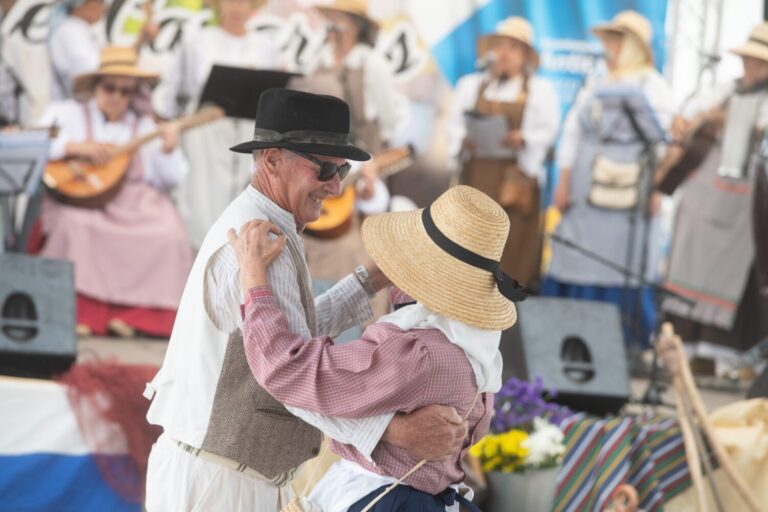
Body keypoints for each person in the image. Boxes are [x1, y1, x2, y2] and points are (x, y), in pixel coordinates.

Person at [144, 88, 469, 511]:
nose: (335, 187)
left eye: (343, 169)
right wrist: (392, 431)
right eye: (325, 169)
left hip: (225, 474)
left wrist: (372, 277)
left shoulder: (267, 224)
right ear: (273, 160)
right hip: (219, 483)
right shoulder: (263, 237)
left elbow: (291, 338)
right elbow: (293, 377)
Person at [229, 185, 524, 511]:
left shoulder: (416, 353)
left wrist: (254, 280)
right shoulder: (475, 347)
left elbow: (288, 370)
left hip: (382, 498)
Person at [35, 46, 192, 338]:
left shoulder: (145, 126)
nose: (118, 97)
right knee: (73, 226)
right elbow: (35, 140)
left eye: (126, 91)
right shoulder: (66, 113)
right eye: (110, 88)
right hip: (79, 200)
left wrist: (169, 149)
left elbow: (173, 178)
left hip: (134, 201)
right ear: (96, 87)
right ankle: (79, 314)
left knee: (168, 232)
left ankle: (135, 317)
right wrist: (74, 147)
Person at [544, 11, 675, 346]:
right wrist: (564, 180)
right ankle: (571, 335)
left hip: (631, 194)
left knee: (622, 259)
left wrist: (657, 190)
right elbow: (572, 131)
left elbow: (663, 146)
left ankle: (623, 339)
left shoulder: (655, 86)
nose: (609, 47)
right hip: (586, 191)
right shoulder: (598, 81)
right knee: (577, 252)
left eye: (617, 40)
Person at [661, 22, 768, 351]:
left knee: (729, 267)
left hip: (742, 196)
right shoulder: (725, 87)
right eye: (749, 59)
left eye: (759, 61)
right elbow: (687, 117)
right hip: (704, 188)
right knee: (688, 256)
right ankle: (681, 344)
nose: (751, 66)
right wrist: (695, 122)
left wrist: (739, 122)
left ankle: (718, 350)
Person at [152, 0, 284, 247]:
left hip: (248, 135)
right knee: (202, 205)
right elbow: (172, 91)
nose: (236, 6)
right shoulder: (197, 41)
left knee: (245, 211)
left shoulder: (267, 47)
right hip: (205, 134)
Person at [449, 16, 560, 286]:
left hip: (514, 185)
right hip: (476, 178)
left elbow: (549, 131)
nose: (504, 53)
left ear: (524, 55)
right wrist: (465, 140)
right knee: (470, 245)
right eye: (500, 45)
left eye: (512, 47)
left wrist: (523, 139)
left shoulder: (539, 91)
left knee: (510, 252)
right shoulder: (471, 85)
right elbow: (453, 126)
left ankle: (505, 315)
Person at [49, 0, 107, 101]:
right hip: (73, 107)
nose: (105, 8)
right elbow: (89, 71)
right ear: (86, 4)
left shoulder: (79, 29)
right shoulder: (70, 31)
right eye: (100, 2)